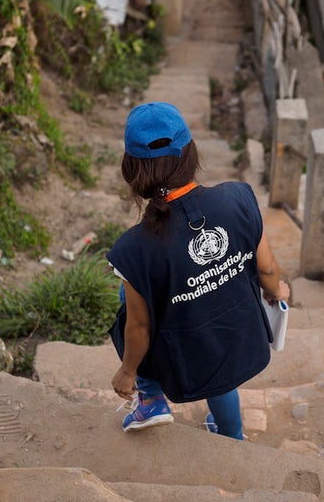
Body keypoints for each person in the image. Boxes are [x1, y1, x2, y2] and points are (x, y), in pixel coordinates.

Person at [107, 101, 290, 440]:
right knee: (215, 366)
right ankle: (232, 436)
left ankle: (151, 398)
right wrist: (277, 292)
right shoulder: (239, 197)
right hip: (236, 345)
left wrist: (128, 372)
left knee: (128, 299)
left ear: (132, 171)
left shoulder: (133, 250)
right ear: (191, 153)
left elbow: (141, 328)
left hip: (184, 360)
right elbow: (267, 269)